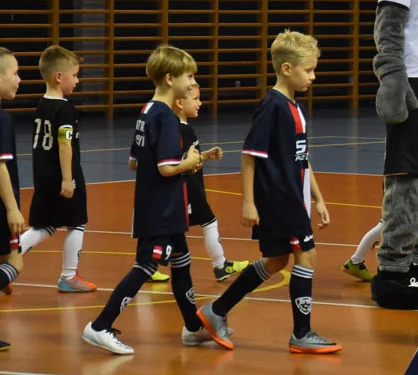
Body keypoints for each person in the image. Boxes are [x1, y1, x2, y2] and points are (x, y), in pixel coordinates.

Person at [196, 30, 341, 354]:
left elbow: (301, 157)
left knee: (276, 260)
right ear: (287, 69)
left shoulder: (295, 107)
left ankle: (215, 311)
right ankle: (301, 333)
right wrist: (248, 202)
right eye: (309, 70)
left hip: (295, 196)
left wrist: (317, 197)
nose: (313, 77)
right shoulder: (272, 106)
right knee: (307, 254)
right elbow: (249, 155)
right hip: (279, 198)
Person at [82, 45, 207, 355]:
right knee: (145, 266)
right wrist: (189, 163)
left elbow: (134, 162)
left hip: (162, 207)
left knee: (182, 264)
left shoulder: (146, 111)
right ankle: (99, 326)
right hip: (161, 209)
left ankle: (193, 327)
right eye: (187, 75)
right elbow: (167, 169)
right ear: (169, 79)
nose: (192, 81)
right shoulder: (165, 116)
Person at [147, 84, 249, 283]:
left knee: (177, 227)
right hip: (186, 188)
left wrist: (206, 156)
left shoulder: (184, 128)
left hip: (190, 186)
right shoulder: (177, 130)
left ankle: (149, 265)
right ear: (179, 102)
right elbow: (177, 162)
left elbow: (186, 158)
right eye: (195, 99)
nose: (200, 103)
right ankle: (219, 265)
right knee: (202, 222)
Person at [18, 46, 97, 292]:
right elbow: (64, 144)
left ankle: (7, 260)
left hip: (42, 175)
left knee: (44, 226)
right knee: (78, 223)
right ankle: (69, 276)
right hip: (63, 175)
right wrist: (67, 179)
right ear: (59, 77)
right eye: (74, 75)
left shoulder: (41, 105)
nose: (77, 80)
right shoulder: (64, 109)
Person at [0, 47, 25, 350]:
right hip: (2, 203)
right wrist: (12, 208)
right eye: (15, 72)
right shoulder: (2, 118)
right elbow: (1, 166)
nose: (19, 79)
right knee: (16, 261)